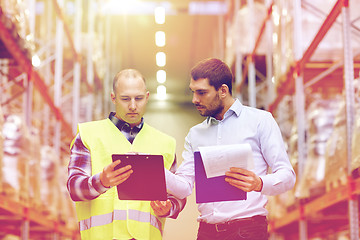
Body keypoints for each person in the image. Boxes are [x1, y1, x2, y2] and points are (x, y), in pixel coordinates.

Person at [165, 58, 296, 240]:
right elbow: (184, 187)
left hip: (247, 231)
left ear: (223, 90)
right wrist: (157, 172)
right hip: (206, 232)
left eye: (202, 93)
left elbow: (288, 177)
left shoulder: (260, 121)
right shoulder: (195, 134)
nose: (195, 99)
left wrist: (259, 183)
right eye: (193, 92)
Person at [67, 69, 185, 240]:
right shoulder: (88, 135)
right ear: (113, 98)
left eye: (138, 98)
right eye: (125, 99)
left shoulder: (165, 144)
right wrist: (102, 181)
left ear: (147, 96)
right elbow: (74, 188)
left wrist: (169, 208)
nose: (132, 106)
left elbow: (179, 194)